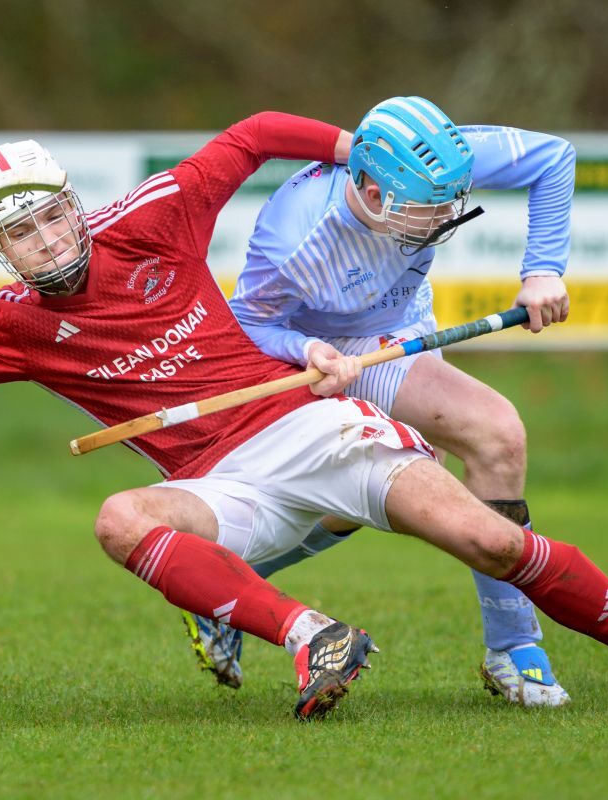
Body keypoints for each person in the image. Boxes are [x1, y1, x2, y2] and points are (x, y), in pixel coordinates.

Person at [0, 111, 608, 721]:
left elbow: (254, 135)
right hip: (217, 485)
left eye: (56, 219)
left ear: (75, 207)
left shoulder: (154, 215)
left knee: (491, 541)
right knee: (120, 516)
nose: (49, 244)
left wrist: (348, 153)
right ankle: (313, 637)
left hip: (307, 424)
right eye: (24, 235)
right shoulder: (2, 327)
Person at [185, 97, 575, 707]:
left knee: (416, 476)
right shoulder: (297, 239)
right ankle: (514, 648)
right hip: (327, 347)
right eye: (424, 209)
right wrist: (309, 349)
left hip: (400, 330)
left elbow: (554, 158)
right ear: (369, 188)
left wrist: (543, 269)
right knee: (492, 434)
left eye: (449, 202)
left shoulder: (440, 162)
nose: (443, 219)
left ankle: (231, 589)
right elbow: (248, 325)